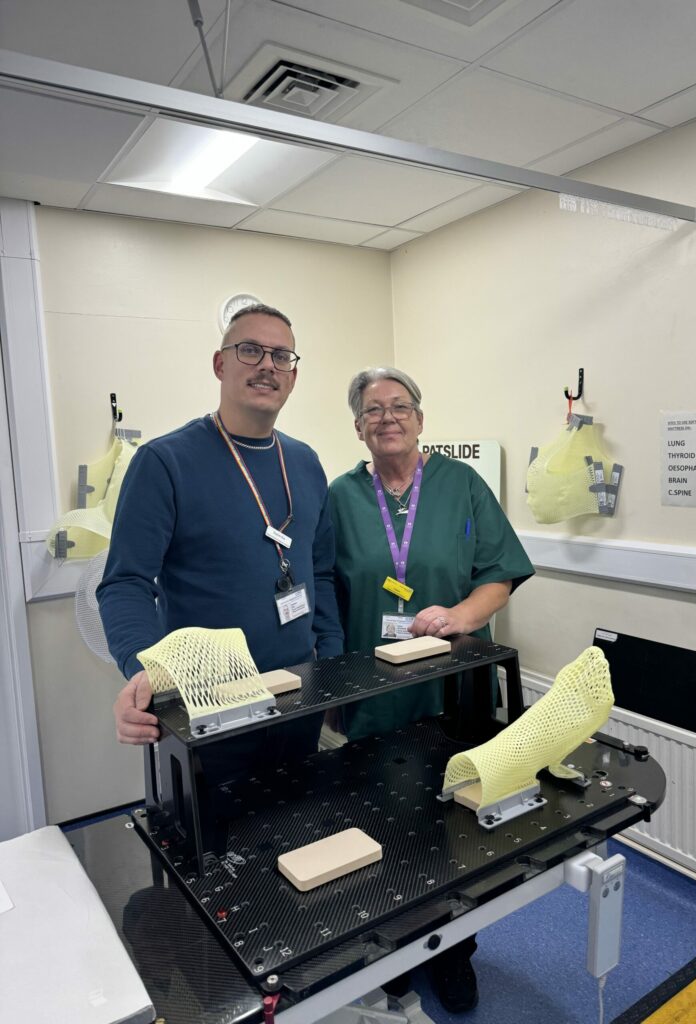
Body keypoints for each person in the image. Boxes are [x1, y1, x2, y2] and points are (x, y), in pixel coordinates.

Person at [329, 366, 534, 1014]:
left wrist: (462, 617)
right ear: (358, 427)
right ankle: (388, 950)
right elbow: (318, 595)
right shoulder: (338, 499)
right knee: (380, 828)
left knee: (454, 828)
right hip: (372, 697)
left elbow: (499, 575)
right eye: (372, 410)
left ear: (419, 417)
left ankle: (453, 954)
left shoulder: (461, 485)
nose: (386, 418)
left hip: (453, 689)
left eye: (398, 406)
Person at [98, 303, 343, 769]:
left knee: (299, 830)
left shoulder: (306, 463)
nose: (267, 365)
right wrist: (144, 670)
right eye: (250, 350)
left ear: (292, 376)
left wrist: (329, 664)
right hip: (207, 708)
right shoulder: (165, 463)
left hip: (298, 696)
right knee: (212, 839)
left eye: (281, 357)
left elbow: (322, 573)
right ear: (220, 363)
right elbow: (124, 583)